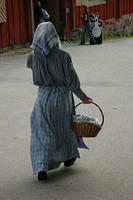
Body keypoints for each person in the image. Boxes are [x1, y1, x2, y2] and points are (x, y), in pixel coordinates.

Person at [26, 22, 93, 181]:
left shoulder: (32, 56)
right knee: (64, 129)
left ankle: (41, 166)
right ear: (53, 36)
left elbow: (31, 67)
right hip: (62, 98)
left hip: (42, 98)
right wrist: (83, 97)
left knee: (41, 131)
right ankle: (69, 157)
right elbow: (72, 81)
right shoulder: (64, 56)